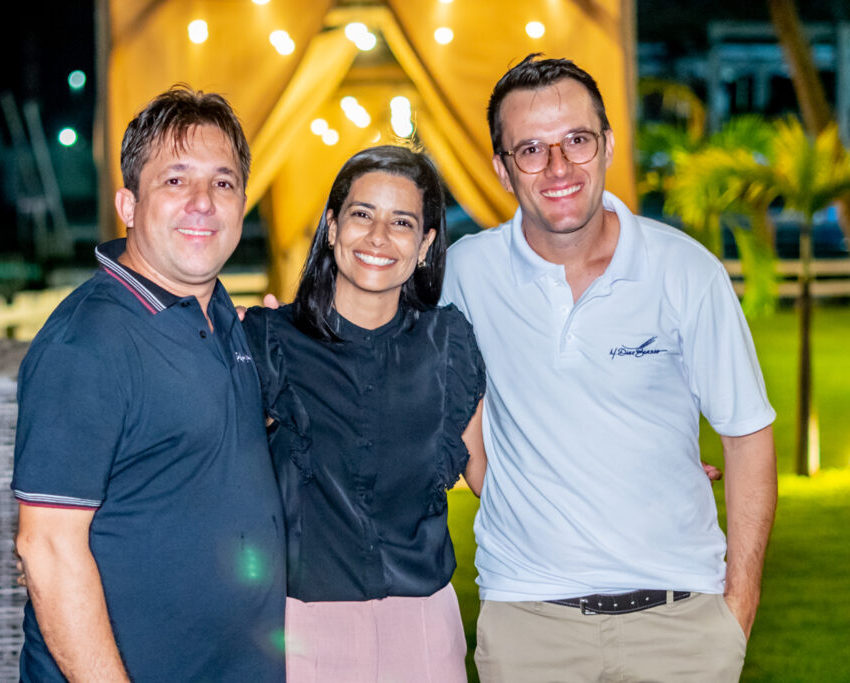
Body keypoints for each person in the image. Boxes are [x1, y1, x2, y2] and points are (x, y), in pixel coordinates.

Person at [440, 54, 778, 682]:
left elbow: (748, 436)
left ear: (609, 144)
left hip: (681, 627)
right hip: (528, 626)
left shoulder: (685, 271)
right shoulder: (467, 272)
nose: (559, 168)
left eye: (576, 141)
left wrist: (738, 609)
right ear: (502, 169)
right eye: (531, 149)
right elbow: (421, 383)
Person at [11, 86, 285, 682]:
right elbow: (49, 551)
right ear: (128, 206)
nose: (203, 203)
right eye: (175, 181)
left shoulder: (226, 324)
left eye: (223, 182)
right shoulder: (88, 344)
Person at [242, 145, 487, 682]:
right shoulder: (268, 341)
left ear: (424, 244)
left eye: (401, 222)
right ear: (332, 228)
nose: (379, 237)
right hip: (303, 628)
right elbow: (208, 465)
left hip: (425, 626)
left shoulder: (449, 342)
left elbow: (493, 476)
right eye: (361, 215)